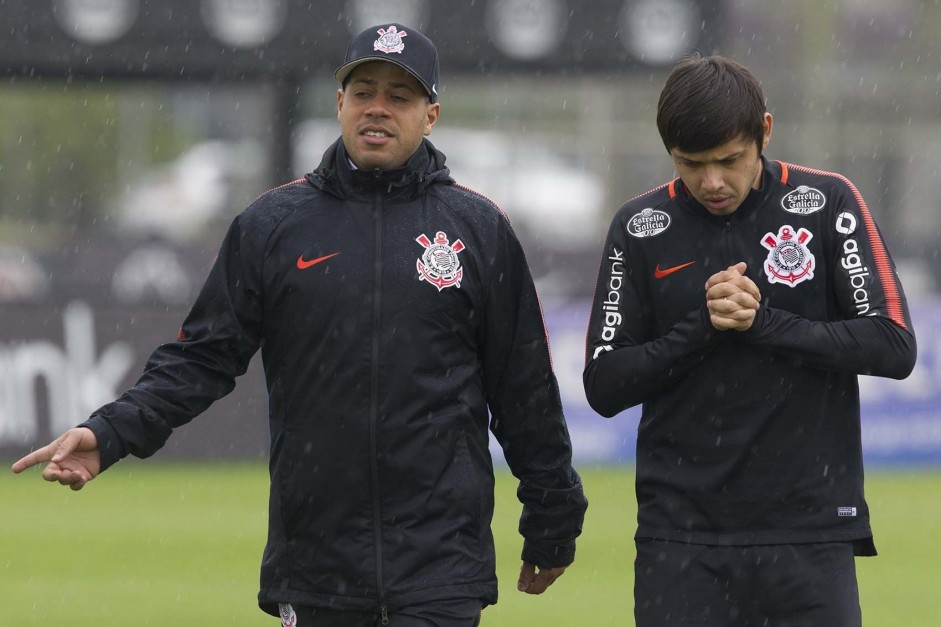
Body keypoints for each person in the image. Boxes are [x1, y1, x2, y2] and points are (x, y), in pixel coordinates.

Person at [12, 23, 587, 627]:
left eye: (400, 95)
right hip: (316, 566)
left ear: (431, 114)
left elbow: (523, 391)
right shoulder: (272, 225)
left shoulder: (478, 229)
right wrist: (111, 432)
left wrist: (553, 518)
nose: (378, 109)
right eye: (364, 91)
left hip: (441, 567)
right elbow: (201, 358)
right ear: (339, 102)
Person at [583, 54, 916, 626]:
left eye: (729, 160)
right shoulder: (640, 226)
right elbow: (604, 383)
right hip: (679, 538)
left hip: (810, 533)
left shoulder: (828, 203)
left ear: (763, 131)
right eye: (691, 164)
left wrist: (765, 324)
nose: (712, 182)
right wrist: (703, 328)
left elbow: (893, 344)